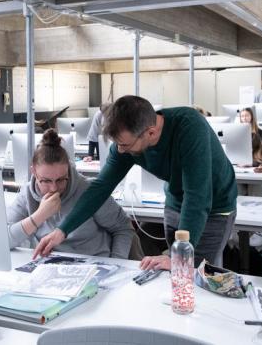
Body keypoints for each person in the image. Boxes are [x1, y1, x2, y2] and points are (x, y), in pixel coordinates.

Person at [34, 96, 238, 270]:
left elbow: (198, 195)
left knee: (195, 272)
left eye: (125, 145)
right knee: (174, 270)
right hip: (176, 200)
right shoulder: (128, 140)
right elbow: (100, 187)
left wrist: (178, 257)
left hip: (214, 205)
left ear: (150, 132)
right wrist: (62, 230)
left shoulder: (189, 126)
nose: (120, 151)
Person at [7, 129, 134, 259]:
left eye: (61, 180)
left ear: (68, 169)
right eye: (46, 181)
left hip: (93, 264)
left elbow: (123, 228)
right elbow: (4, 240)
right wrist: (40, 214)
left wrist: (116, 263)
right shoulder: (27, 193)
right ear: (33, 171)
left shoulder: (88, 190)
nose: (54, 188)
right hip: (52, 266)